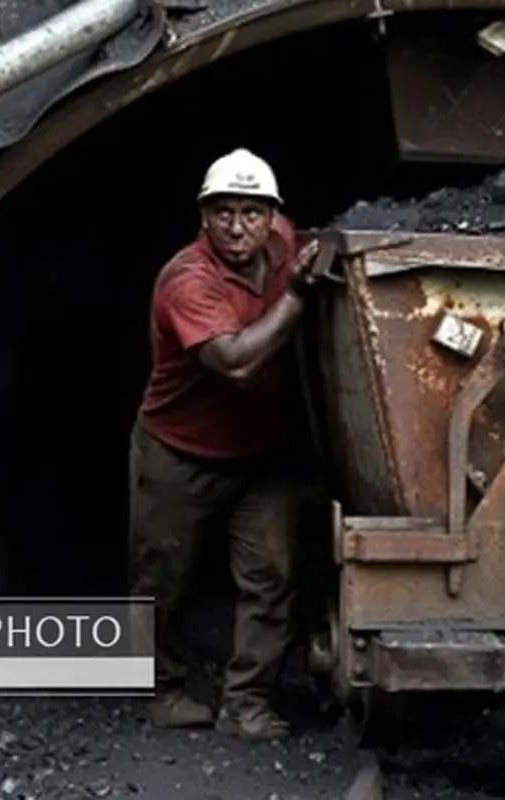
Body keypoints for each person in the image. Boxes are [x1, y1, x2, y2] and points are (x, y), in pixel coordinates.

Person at [129, 148, 320, 741]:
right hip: (178, 452)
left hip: (263, 455)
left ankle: (248, 704)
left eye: (252, 213)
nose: (238, 228)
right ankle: (160, 691)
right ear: (202, 217)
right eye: (223, 214)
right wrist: (297, 297)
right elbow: (235, 362)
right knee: (161, 578)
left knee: (270, 576)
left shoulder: (284, 244)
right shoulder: (186, 280)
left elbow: (320, 242)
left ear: (272, 217)